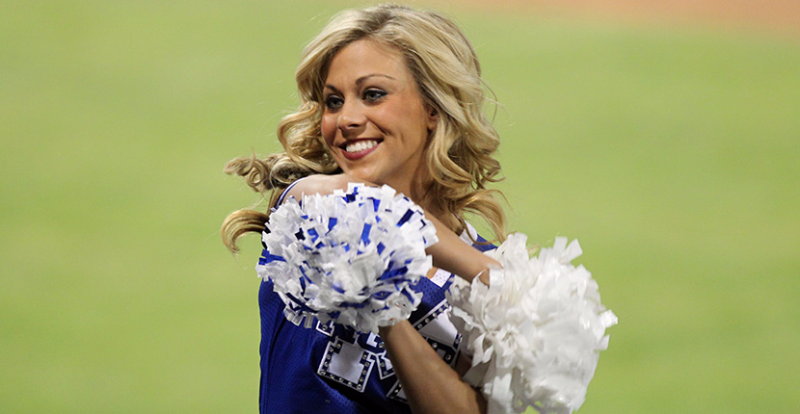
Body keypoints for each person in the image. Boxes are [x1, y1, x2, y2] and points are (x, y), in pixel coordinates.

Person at [222, 4, 615, 414]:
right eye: (333, 101)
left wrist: (387, 314)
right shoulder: (305, 212)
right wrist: (495, 277)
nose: (347, 118)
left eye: (373, 95)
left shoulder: (475, 286)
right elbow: (358, 210)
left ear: (432, 107)